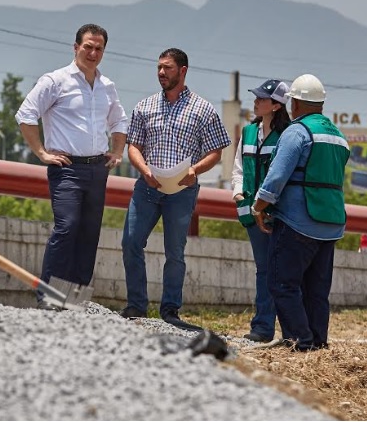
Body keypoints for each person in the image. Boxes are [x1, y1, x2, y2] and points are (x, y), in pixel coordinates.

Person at [15, 24, 128, 305]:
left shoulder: (107, 86)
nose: (93, 53)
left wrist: (117, 151)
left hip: (97, 168)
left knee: (89, 233)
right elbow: (26, 115)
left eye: (99, 48)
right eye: (88, 46)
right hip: (66, 168)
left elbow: (119, 121)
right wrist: (42, 153)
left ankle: (74, 301)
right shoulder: (55, 81)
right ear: (76, 47)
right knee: (67, 227)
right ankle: (49, 298)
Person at [120, 48, 231, 326]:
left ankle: (170, 310)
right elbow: (133, 146)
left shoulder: (203, 109)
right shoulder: (144, 107)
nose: (161, 72)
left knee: (174, 252)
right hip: (147, 186)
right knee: (131, 242)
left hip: (182, 189)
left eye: (167, 68)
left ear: (183, 71)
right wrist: (144, 169)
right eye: (159, 67)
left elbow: (216, 152)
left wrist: (195, 170)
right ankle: (136, 305)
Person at [251, 74, 349, 351]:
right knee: (316, 290)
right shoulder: (338, 136)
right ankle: (317, 342)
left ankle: (300, 342)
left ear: (294, 103)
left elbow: (277, 176)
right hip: (330, 224)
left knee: (282, 284)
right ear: (321, 104)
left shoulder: (297, 132)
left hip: (297, 221)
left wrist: (259, 206)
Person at [231, 79, 291, 343]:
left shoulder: (287, 134)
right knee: (264, 269)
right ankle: (264, 327)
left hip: (278, 214)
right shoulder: (248, 132)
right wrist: (237, 192)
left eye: (261, 99)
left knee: (280, 271)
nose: (255, 102)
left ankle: (283, 329)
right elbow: (238, 169)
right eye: (255, 97)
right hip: (250, 212)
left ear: (276, 105)